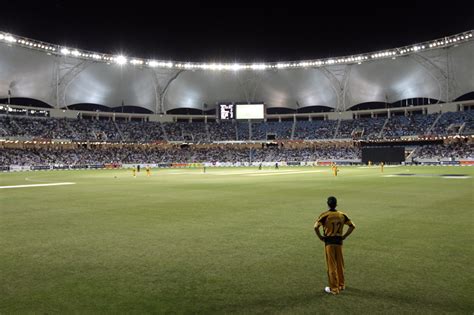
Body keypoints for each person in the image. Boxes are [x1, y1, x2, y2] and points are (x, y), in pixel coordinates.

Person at [314, 196, 355, 295]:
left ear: (328, 204)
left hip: (329, 242)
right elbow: (352, 226)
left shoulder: (325, 215)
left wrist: (320, 237)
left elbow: (315, 227)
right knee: (340, 264)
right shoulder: (342, 215)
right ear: (336, 204)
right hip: (339, 242)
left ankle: (334, 288)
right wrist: (344, 236)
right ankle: (341, 285)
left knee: (331, 265)